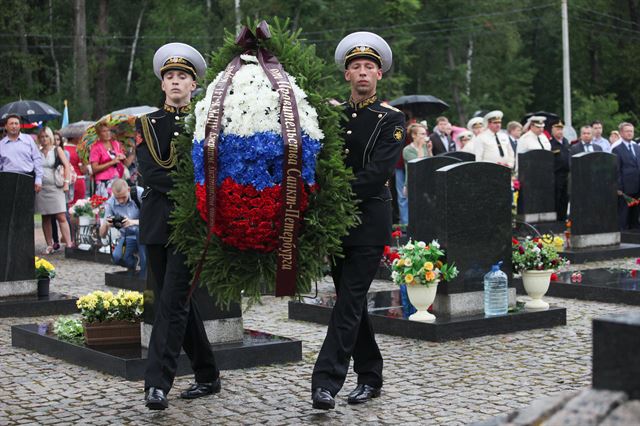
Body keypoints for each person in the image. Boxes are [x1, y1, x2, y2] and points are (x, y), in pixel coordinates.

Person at [312, 31, 404, 410]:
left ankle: (325, 383)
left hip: (368, 222)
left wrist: (331, 191)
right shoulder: (332, 116)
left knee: (348, 300)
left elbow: (375, 173)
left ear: (379, 75)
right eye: (356, 67)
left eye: (369, 67)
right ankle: (371, 375)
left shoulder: (391, 119)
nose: (363, 73)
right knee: (353, 304)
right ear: (347, 75)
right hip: (337, 225)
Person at [137, 42, 219, 411]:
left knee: (171, 303)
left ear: (193, 84)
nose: (175, 82)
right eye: (169, 76)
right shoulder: (146, 125)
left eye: (182, 76)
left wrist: (198, 199)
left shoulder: (207, 122)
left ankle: (157, 384)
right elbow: (152, 173)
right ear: (162, 85)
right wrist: (193, 189)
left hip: (191, 224)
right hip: (157, 221)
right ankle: (207, 374)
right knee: (179, 303)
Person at [34, 127, 74, 254]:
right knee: (45, 217)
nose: (44, 139)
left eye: (46, 136)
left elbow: (66, 166)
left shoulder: (57, 150)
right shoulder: (36, 152)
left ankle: (69, 244)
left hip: (56, 187)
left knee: (61, 215)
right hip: (41, 188)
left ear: (50, 137)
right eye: (41, 137)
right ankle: (49, 244)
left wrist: (66, 183)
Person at [99, 179, 146, 277]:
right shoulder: (110, 203)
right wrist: (106, 225)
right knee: (117, 257)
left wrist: (132, 222)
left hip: (144, 234)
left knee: (144, 257)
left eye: (123, 197)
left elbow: (152, 219)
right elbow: (102, 235)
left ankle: (144, 275)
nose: (120, 201)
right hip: (127, 236)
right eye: (117, 198)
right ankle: (133, 263)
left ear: (128, 189)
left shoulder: (139, 193)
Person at [0, 114, 43, 193]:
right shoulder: (1, 144)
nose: (14, 126)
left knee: (26, 205)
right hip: (7, 179)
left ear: (20, 126)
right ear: (6, 126)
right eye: (11, 123)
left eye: (16, 123)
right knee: (7, 204)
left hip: (28, 178)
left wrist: (38, 178)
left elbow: (37, 158)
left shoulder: (28, 139)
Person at [612, 122, 640, 230]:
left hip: (637, 186)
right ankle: (623, 236)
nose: (630, 133)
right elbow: (616, 170)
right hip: (625, 188)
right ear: (621, 133)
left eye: (631, 131)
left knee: (635, 214)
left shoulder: (636, 147)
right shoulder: (617, 149)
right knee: (624, 215)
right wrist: (619, 188)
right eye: (627, 131)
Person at [90, 122, 126, 197]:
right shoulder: (95, 147)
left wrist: (122, 157)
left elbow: (123, 161)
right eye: (104, 131)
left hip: (117, 179)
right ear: (99, 134)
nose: (107, 133)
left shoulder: (115, 143)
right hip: (104, 182)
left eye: (108, 130)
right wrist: (112, 162)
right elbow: (94, 168)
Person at [402, 122, 432, 198]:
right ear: (413, 135)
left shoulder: (425, 146)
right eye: (422, 134)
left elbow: (432, 162)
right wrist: (420, 146)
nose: (425, 136)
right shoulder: (407, 150)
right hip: (413, 183)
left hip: (426, 182)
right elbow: (418, 164)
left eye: (425, 134)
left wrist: (429, 150)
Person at [549, 121, 571, 221]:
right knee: (556, 197)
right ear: (552, 130)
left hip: (566, 174)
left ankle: (562, 219)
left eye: (561, 129)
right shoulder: (550, 143)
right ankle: (556, 219)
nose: (560, 131)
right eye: (557, 129)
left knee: (565, 198)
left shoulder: (566, 141)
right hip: (556, 174)